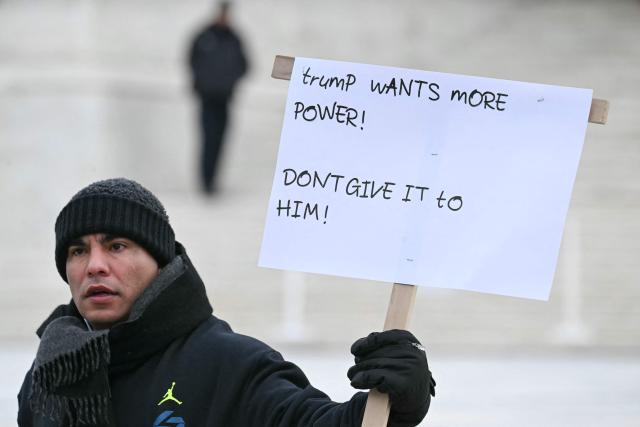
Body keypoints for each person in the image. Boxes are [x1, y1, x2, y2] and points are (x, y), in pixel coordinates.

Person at [17, 178, 435, 426]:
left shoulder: (228, 363)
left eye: (117, 246)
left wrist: (395, 404)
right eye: (77, 251)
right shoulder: (50, 370)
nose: (94, 266)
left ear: (160, 263)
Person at [188, 1, 248, 194]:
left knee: (220, 140)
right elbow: (192, 60)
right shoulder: (204, 36)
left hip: (224, 99)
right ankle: (205, 181)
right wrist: (201, 82)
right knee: (208, 138)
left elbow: (245, 65)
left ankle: (213, 180)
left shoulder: (234, 38)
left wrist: (229, 82)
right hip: (207, 98)